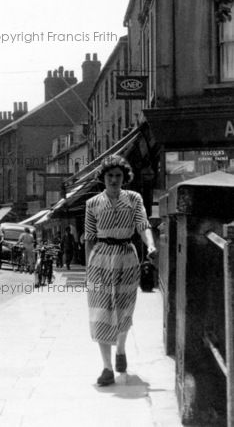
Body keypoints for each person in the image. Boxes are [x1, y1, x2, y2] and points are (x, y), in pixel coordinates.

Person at [84, 155, 157, 386]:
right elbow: (89, 238)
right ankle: (106, 368)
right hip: (100, 259)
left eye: (118, 176)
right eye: (110, 176)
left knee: (124, 309)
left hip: (126, 257)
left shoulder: (134, 199)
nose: (114, 180)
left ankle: (121, 349)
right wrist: (88, 270)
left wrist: (151, 244)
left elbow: (143, 224)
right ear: (103, 178)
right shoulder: (92, 204)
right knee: (100, 311)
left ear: (124, 178)